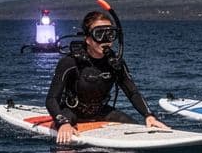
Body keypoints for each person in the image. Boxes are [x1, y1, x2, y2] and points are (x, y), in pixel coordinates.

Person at [46, 10, 170, 144]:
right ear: (88, 39)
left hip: (101, 112)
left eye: (110, 34)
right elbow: (51, 99)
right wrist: (62, 122)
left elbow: (132, 92)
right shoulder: (70, 62)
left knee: (135, 125)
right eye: (99, 34)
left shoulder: (115, 64)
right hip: (71, 113)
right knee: (65, 149)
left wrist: (149, 115)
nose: (105, 40)